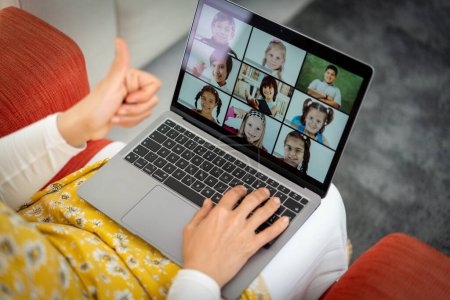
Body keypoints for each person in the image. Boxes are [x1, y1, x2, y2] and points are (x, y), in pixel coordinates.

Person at [0, 38, 349, 300]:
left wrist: (74, 125)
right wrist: (203, 274)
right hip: (174, 285)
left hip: (62, 221)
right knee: (328, 201)